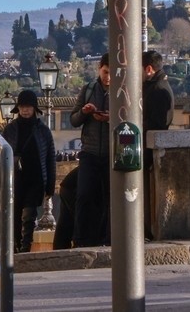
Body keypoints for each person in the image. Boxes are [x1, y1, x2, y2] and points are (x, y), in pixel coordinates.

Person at [2, 89, 56, 253]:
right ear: (18, 108)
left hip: (36, 178)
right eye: (23, 107)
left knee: (29, 214)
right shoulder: (10, 129)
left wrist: (50, 186)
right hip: (15, 178)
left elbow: (50, 158)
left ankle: (26, 245)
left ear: (34, 108)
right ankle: (16, 244)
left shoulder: (43, 130)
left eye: (28, 107)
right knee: (15, 213)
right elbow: (1, 155)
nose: (25, 110)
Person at [70, 53, 111, 247]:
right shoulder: (88, 90)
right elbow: (74, 120)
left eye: (111, 73)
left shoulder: (122, 92)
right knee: (84, 195)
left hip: (112, 153)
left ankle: (107, 238)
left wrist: (111, 118)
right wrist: (85, 112)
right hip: (90, 151)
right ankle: (81, 239)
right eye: (105, 72)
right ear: (99, 69)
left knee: (109, 198)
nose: (108, 77)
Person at [142, 49, 175, 240]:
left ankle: (147, 231)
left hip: (148, 152)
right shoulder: (157, 87)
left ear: (148, 69)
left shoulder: (159, 90)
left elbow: (157, 123)